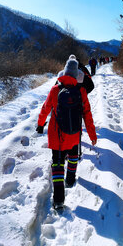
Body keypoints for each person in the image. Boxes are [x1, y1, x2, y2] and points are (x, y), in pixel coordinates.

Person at [37, 59, 97, 210]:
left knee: (57, 165)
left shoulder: (55, 90)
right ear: (77, 75)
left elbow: (45, 109)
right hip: (74, 134)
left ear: (63, 72)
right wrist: (92, 135)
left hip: (57, 135)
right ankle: (70, 180)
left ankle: (58, 200)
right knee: (73, 157)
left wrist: (40, 124)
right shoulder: (81, 91)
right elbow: (87, 115)